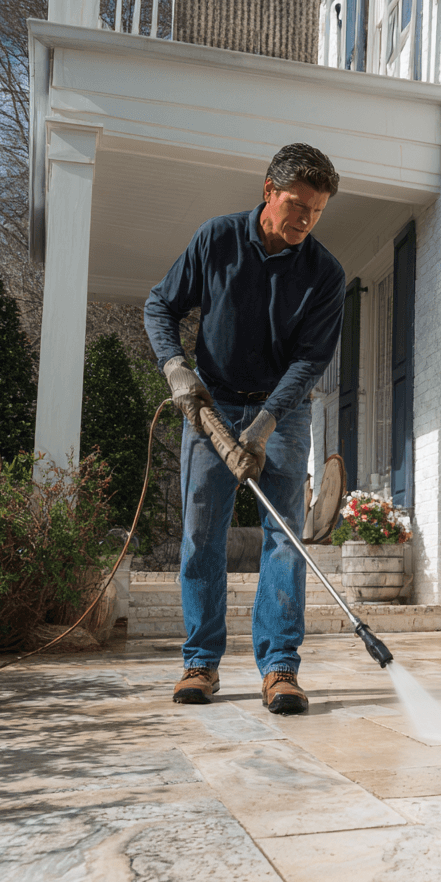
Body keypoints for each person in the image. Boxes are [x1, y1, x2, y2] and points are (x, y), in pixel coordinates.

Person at [144, 143, 346, 715]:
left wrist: (263, 426)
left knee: (283, 534)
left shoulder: (324, 274)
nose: (303, 219)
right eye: (295, 204)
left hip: (280, 413)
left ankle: (280, 668)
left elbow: (310, 360)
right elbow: (161, 306)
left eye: (316, 210)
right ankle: (200, 663)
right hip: (209, 405)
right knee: (201, 532)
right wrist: (176, 368)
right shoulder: (217, 240)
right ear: (268, 191)